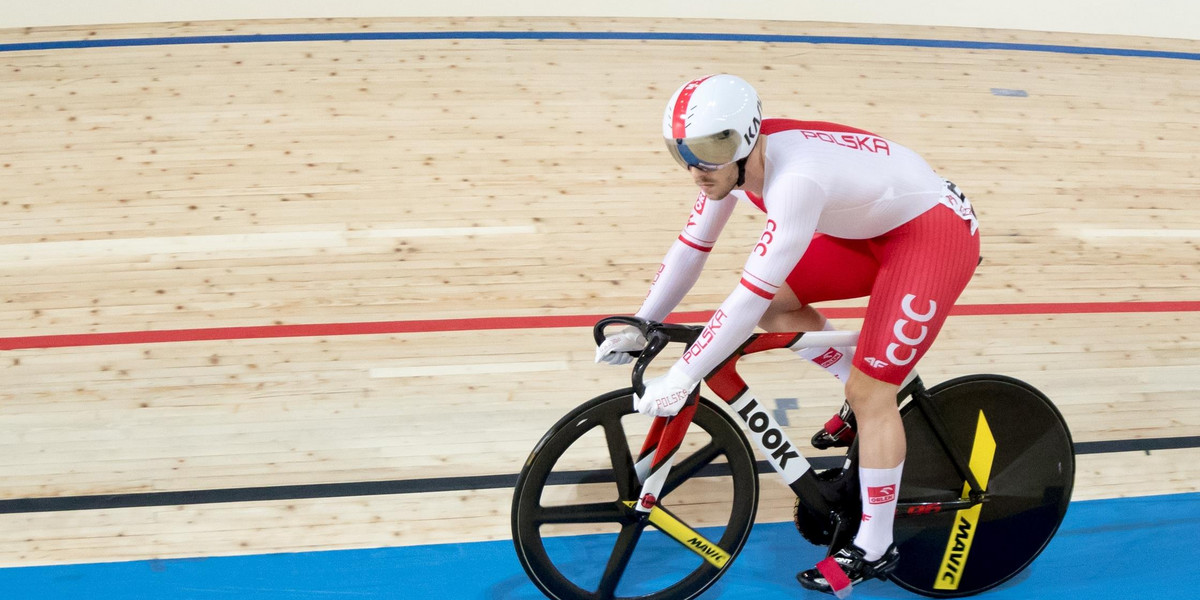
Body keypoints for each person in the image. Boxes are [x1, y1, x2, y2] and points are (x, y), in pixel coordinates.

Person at [594, 73, 980, 595]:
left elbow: (746, 297)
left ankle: (875, 544)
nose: (694, 167)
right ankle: (863, 393)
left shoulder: (795, 180)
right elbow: (692, 247)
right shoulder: (730, 163)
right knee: (783, 309)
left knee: (870, 390)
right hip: (870, 228)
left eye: (707, 150)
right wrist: (642, 324)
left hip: (931, 233)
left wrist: (685, 373)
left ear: (745, 137)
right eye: (680, 151)